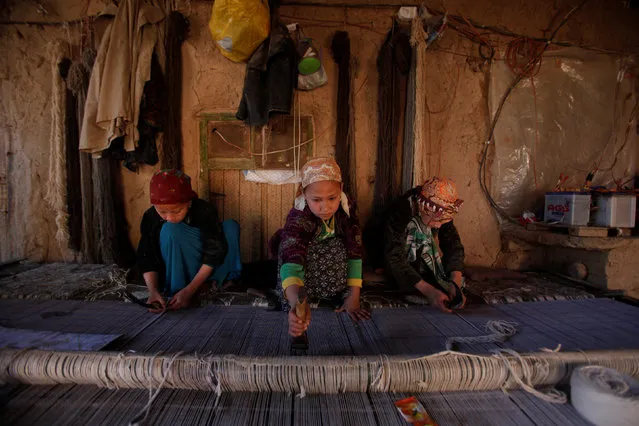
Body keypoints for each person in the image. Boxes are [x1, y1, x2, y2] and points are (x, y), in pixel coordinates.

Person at [270, 157, 370, 337]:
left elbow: (355, 249)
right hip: (303, 276)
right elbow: (292, 258)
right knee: (290, 251)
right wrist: (296, 303)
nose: (325, 207)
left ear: (341, 189)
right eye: (316, 199)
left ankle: (337, 294)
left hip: (330, 276)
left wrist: (354, 296)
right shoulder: (299, 216)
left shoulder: (346, 208)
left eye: (332, 197)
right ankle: (302, 298)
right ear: (303, 194)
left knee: (341, 245)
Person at [136, 169, 241, 312]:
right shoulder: (150, 216)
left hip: (204, 268)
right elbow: (147, 257)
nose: (169, 218)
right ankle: (177, 289)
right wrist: (153, 291)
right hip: (176, 270)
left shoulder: (204, 211)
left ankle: (213, 284)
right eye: (162, 212)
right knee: (171, 229)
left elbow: (214, 252)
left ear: (189, 203)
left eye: (176, 211)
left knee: (230, 227)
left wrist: (191, 290)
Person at [383, 177, 466, 313]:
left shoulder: (441, 209)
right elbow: (394, 254)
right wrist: (430, 292)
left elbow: (453, 245)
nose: (439, 225)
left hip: (413, 255)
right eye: (437, 220)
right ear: (425, 207)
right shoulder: (402, 210)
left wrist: (455, 282)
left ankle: (421, 275)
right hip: (388, 253)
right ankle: (412, 279)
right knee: (417, 228)